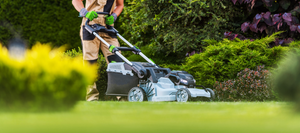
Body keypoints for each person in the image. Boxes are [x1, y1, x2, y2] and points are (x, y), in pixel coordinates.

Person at [72, 0, 124, 101]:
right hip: (89, 26)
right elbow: (76, 1)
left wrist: (114, 16)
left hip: (108, 28)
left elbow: (120, 5)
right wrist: (85, 12)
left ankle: (122, 95)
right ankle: (92, 98)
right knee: (90, 63)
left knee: (116, 61)